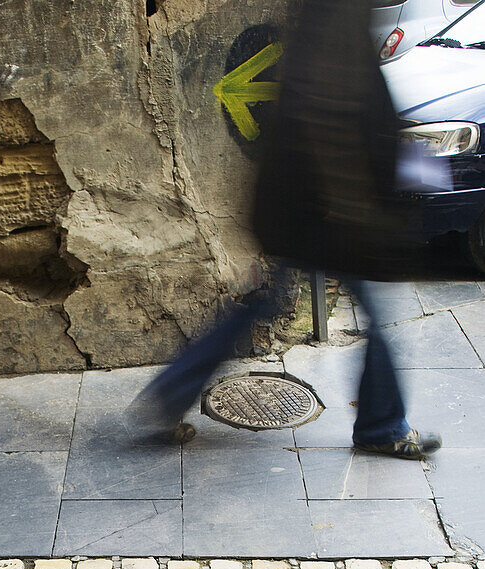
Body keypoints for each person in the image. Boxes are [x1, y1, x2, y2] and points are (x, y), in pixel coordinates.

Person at [128, 0, 441, 459]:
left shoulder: (322, 21)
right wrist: (357, 211)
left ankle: (171, 392)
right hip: (329, 216)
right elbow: (329, 120)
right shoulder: (337, 25)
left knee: (268, 303)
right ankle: (382, 426)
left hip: (308, 212)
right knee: (371, 316)